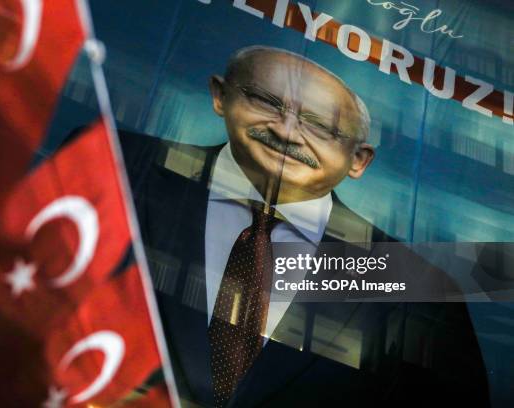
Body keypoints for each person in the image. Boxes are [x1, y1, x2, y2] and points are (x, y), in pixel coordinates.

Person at [118, 46, 489, 407]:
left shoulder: (421, 291)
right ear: (220, 96)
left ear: (359, 160)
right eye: (266, 101)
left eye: (321, 126)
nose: (288, 132)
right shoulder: (119, 165)